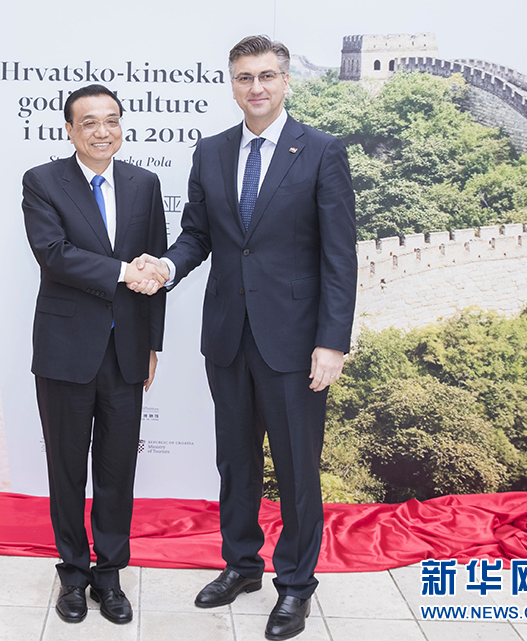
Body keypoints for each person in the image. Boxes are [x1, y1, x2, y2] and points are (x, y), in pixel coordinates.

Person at [132, 36, 356, 640]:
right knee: (235, 461)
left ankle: (296, 585)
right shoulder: (211, 152)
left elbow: (340, 256)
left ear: (285, 81)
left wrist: (332, 342)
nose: (255, 87)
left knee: (297, 467)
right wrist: (167, 267)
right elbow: (197, 235)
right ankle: (241, 564)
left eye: (266, 76)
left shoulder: (322, 151)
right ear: (232, 85)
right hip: (228, 335)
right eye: (244, 77)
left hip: (296, 342)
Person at [22, 84, 167, 625]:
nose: (102, 131)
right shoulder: (42, 181)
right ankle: (73, 574)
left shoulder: (144, 184)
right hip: (65, 350)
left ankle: (109, 576)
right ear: (69, 130)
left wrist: (152, 343)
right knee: (66, 468)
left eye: (112, 120)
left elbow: (156, 267)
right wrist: (122, 272)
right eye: (89, 122)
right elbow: (53, 254)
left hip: (126, 351)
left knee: (116, 468)